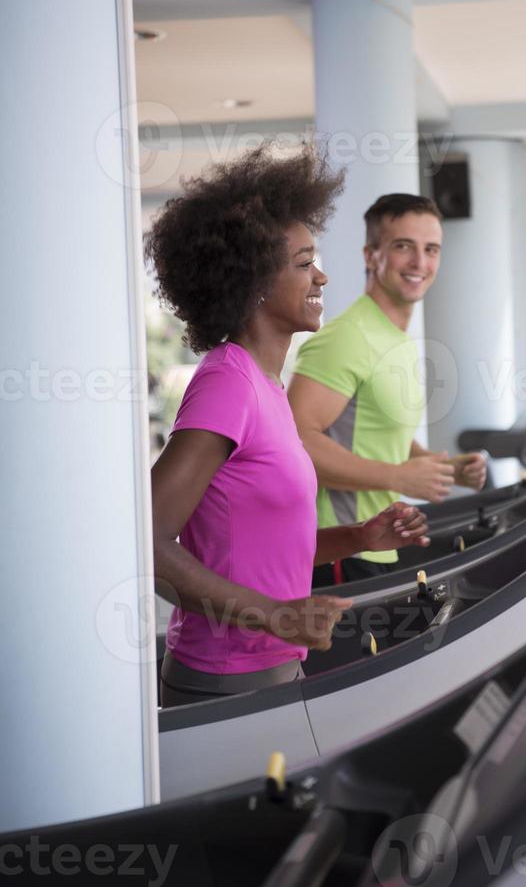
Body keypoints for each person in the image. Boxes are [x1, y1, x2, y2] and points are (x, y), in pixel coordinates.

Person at [146, 148, 430, 707]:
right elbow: (144, 543)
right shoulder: (228, 384)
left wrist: (359, 537)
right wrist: (276, 615)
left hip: (274, 666)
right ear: (251, 281)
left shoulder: (267, 386)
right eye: (303, 263)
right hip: (223, 675)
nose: (321, 275)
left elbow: (263, 549)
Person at [288, 192, 487, 584]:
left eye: (431, 249)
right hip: (339, 553)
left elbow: (374, 433)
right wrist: (398, 476)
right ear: (370, 255)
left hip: (378, 546)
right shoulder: (348, 338)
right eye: (403, 247)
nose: (420, 262)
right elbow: (294, 442)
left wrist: (441, 469)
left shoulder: (394, 339)